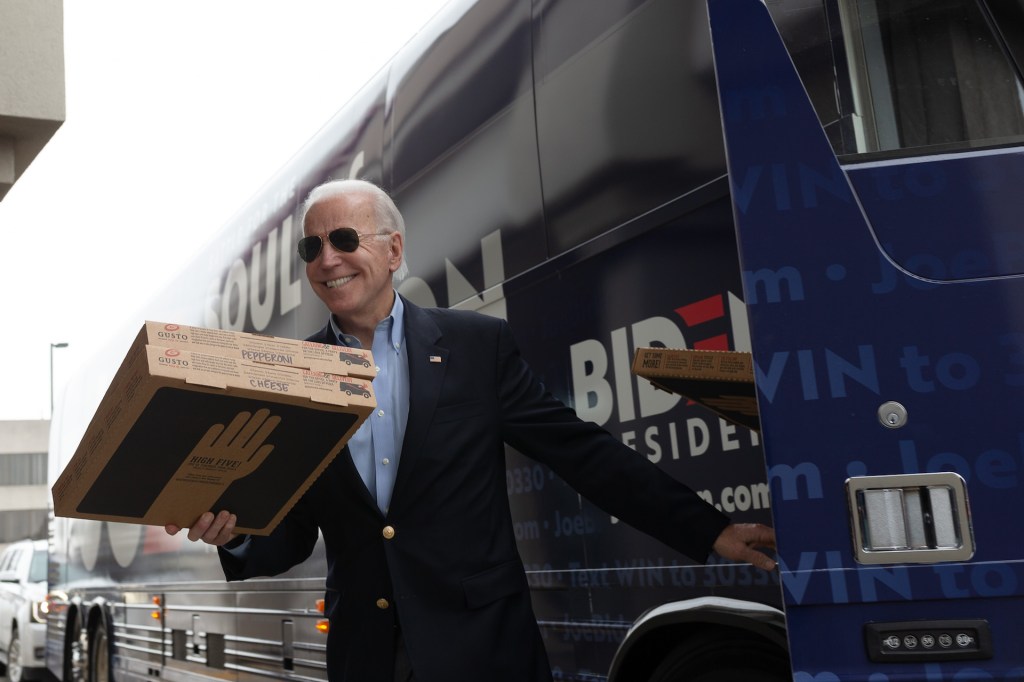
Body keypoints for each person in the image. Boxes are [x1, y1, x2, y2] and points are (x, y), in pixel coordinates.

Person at [167, 179, 776, 682]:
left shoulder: (475, 346)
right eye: (312, 248)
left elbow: (582, 453)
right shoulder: (295, 375)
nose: (327, 259)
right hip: (370, 658)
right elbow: (295, 532)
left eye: (345, 239)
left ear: (393, 249)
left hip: (484, 651)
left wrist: (710, 529)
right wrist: (233, 532)